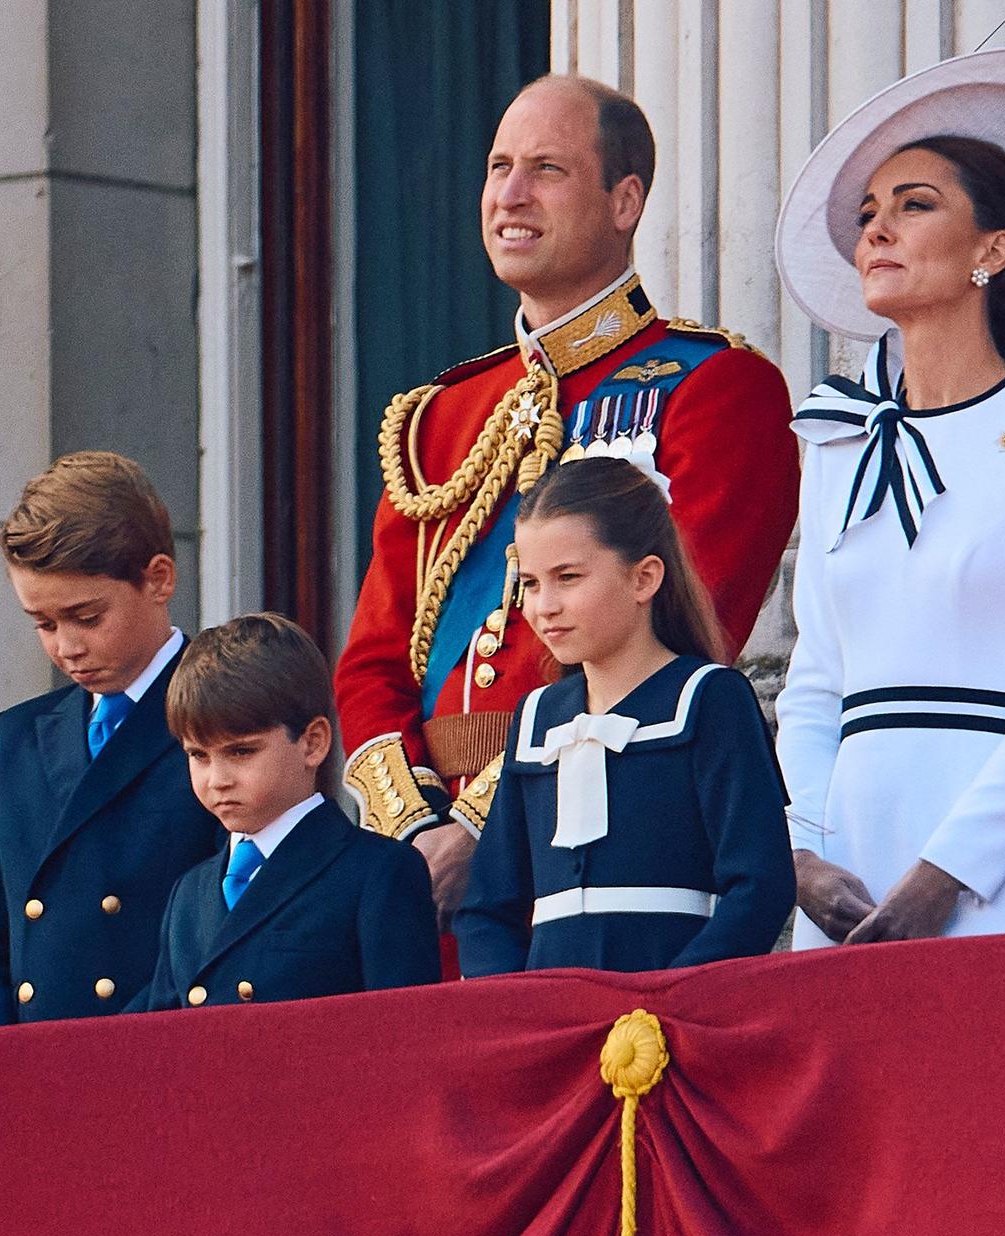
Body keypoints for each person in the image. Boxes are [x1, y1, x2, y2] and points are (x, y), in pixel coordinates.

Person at [333, 74, 799, 947]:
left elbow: (685, 624)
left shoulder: (714, 387)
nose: (509, 195)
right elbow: (371, 662)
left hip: (593, 847)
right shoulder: (442, 416)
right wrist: (416, 827)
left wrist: (481, 825)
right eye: (499, 166)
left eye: (546, 169)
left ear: (626, 201)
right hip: (420, 869)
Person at [772, 49, 1005, 946]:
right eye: (868, 215)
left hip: (987, 862)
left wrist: (949, 871)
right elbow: (815, 683)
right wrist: (807, 854)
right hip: (845, 861)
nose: (876, 231)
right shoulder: (834, 441)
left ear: (992, 251)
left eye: (914, 205)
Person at [455, 458, 794, 973]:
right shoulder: (535, 719)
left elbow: (760, 886)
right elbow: (486, 908)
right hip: (555, 1020)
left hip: (677, 1010)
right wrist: (517, 1007)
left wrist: (671, 998)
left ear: (644, 578)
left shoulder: (707, 699)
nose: (544, 605)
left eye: (567, 578)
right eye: (530, 583)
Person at [0, 453, 220, 1027]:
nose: (66, 647)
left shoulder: (228, 721)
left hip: (158, 1060)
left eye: (86, 617)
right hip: (30, 1075)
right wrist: (0, 1060)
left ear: (159, 578)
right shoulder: (12, 740)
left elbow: (227, 926)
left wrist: (108, 1057)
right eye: (44, 624)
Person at [132, 614, 439, 1010]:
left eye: (241, 751)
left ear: (312, 743)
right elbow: (161, 1041)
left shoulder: (378, 872)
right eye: (198, 755)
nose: (217, 779)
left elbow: (404, 1035)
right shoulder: (189, 892)